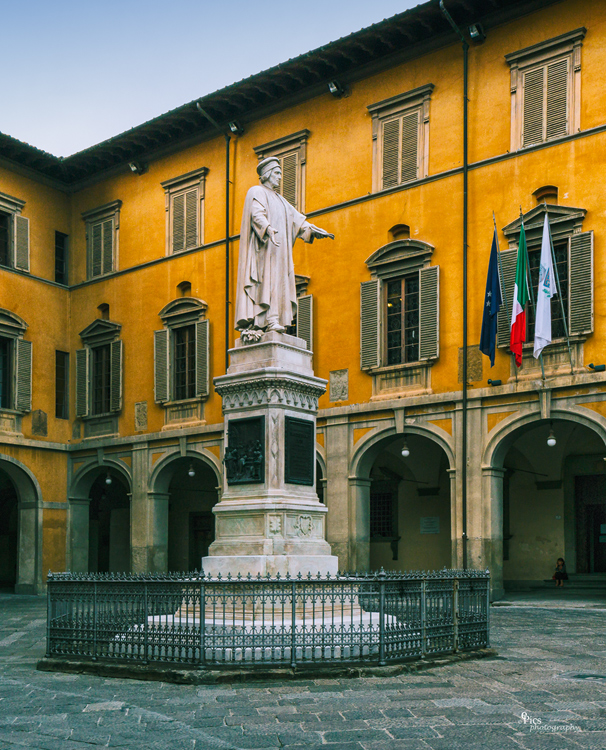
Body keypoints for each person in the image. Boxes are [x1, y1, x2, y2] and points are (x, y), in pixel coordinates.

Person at [235, 157, 334, 333]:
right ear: (267, 175)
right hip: (264, 250)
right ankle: (269, 319)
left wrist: (313, 230)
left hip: (280, 251)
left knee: (279, 283)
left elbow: (297, 219)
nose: (281, 177)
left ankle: (276, 318)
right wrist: (267, 229)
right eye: (277, 173)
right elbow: (256, 214)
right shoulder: (257, 191)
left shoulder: (280, 200)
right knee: (268, 283)